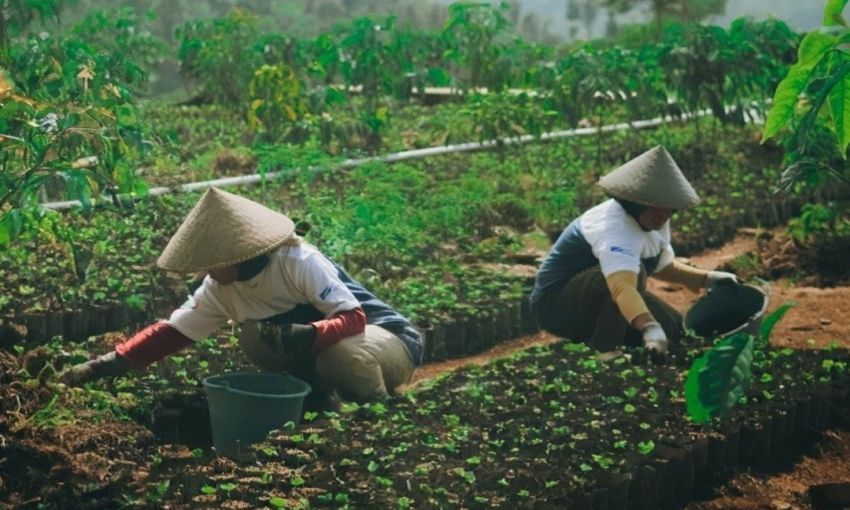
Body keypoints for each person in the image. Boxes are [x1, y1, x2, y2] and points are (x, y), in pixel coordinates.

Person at [61, 187, 423, 402]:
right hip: (331, 344)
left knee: (338, 356)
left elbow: (354, 318)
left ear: (239, 256)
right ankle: (316, 398)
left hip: (386, 339)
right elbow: (172, 332)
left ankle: (379, 411)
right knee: (254, 337)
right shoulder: (220, 289)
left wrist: (311, 334)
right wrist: (104, 365)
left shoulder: (297, 261)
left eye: (212, 262)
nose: (206, 271)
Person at [529, 145, 737, 359]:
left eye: (669, 208)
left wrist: (709, 279)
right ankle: (605, 352)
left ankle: (629, 341)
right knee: (632, 277)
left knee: (673, 327)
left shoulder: (656, 220)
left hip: (598, 295)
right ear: (635, 203)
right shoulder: (614, 227)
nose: (664, 215)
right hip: (556, 306)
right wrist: (648, 326)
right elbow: (621, 287)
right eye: (657, 207)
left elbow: (662, 266)